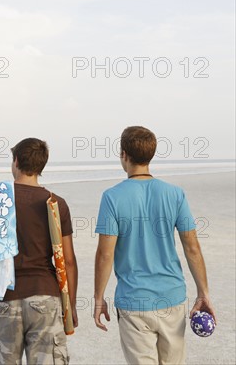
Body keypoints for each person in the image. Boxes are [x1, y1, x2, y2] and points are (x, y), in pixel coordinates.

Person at [94, 126, 216, 365]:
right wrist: (204, 293)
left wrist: (98, 298)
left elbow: (104, 254)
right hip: (172, 298)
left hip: (133, 301)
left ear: (124, 154)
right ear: (151, 154)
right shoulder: (175, 194)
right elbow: (192, 248)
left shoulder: (112, 197)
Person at [0, 137, 78, 364]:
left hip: (6, 297)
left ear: (16, 161)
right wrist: (70, 306)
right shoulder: (56, 203)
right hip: (46, 296)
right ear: (41, 167)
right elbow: (67, 261)